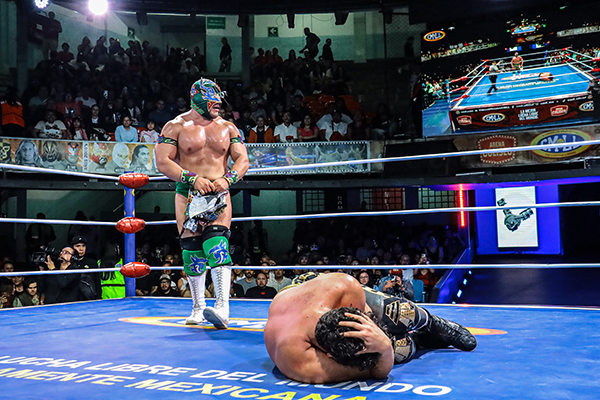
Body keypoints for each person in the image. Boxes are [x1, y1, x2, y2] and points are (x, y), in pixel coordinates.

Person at [155, 78, 249, 329]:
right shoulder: (175, 126)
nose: (218, 104)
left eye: (219, 101)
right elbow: (163, 161)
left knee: (217, 244)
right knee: (191, 249)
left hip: (219, 192)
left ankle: (223, 307)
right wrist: (192, 178)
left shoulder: (228, 127)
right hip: (188, 192)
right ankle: (198, 307)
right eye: (213, 100)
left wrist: (228, 179)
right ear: (197, 99)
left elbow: (243, 160)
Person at [264, 272, 476, 384]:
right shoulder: (297, 360)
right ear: (328, 355)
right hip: (291, 314)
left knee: (397, 312)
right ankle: (419, 341)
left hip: (311, 285)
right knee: (397, 350)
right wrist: (384, 346)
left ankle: (433, 322)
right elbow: (376, 370)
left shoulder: (343, 287)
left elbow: (369, 316)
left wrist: (376, 329)